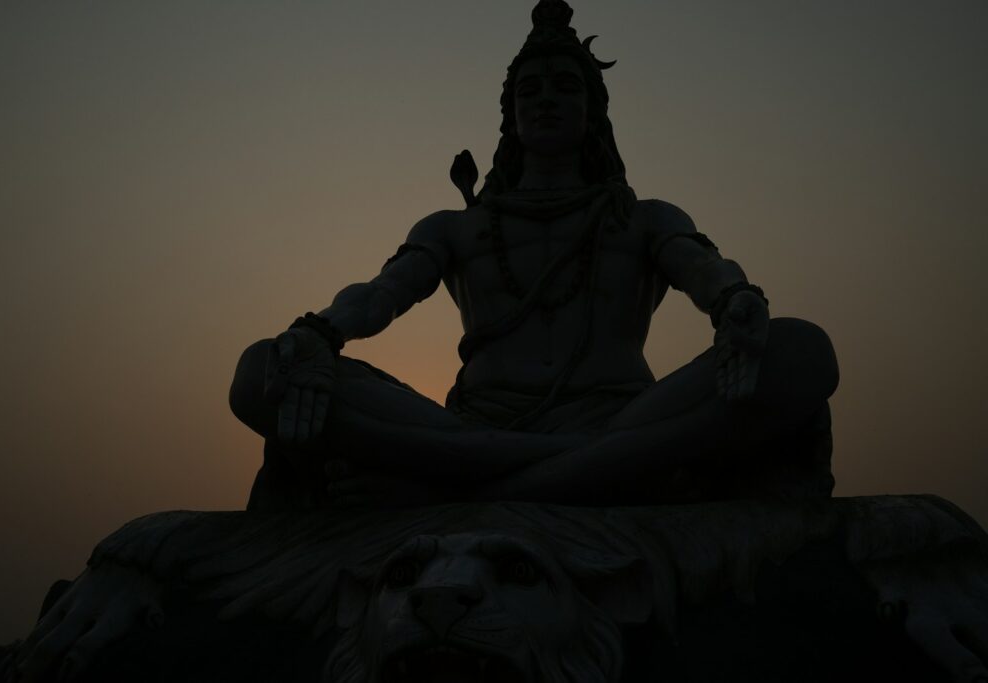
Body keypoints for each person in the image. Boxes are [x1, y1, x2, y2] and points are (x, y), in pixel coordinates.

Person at [229, 0, 838, 511]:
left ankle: (457, 491)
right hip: (483, 430)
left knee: (802, 350)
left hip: (619, 419)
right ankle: (590, 477)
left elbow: (705, 268)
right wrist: (318, 332)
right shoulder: (456, 227)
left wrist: (736, 303)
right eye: (531, 89)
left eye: (566, 86)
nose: (546, 100)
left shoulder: (643, 217)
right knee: (263, 370)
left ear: (594, 110)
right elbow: (381, 293)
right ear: (510, 116)